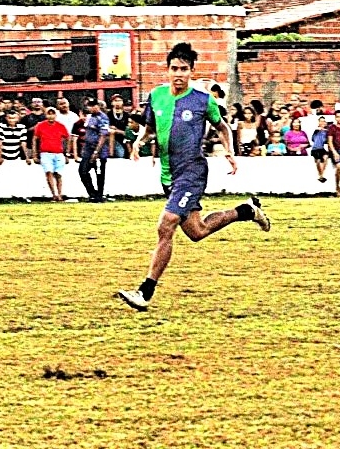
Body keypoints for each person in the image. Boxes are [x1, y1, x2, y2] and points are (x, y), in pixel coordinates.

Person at [117, 43, 270, 311]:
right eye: (174, 68)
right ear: (167, 70)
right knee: (197, 232)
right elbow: (150, 126)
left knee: (166, 225)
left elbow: (222, 125)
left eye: (184, 69)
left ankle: (145, 292)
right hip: (169, 174)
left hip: (192, 172)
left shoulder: (202, 100)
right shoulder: (156, 97)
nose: (179, 74)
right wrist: (139, 142)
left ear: (191, 72)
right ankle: (246, 211)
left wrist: (230, 152)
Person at [32, 106, 70, 202]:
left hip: (58, 152)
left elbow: (68, 138)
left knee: (58, 174)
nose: (51, 116)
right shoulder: (40, 126)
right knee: (49, 172)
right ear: (46, 115)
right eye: (49, 114)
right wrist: (35, 154)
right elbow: (35, 139)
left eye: (53, 114)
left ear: (56, 115)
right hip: (46, 153)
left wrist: (67, 153)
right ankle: (54, 194)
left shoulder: (61, 126)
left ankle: (60, 194)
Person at [78, 98, 112, 203]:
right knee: (82, 171)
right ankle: (92, 193)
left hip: (99, 149)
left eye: (93, 105)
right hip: (88, 148)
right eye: (89, 106)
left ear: (97, 106)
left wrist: (96, 152)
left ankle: (99, 196)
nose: (91, 108)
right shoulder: (89, 117)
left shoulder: (103, 118)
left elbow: (103, 136)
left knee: (99, 173)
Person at [309, 115, 331, 183]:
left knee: (326, 157)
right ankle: (321, 175)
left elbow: (326, 140)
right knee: (318, 160)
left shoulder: (326, 132)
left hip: (321, 148)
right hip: (315, 148)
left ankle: (321, 175)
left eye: (324, 121)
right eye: (321, 121)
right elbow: (313, 139)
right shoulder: (316, 130)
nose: (322, 123)